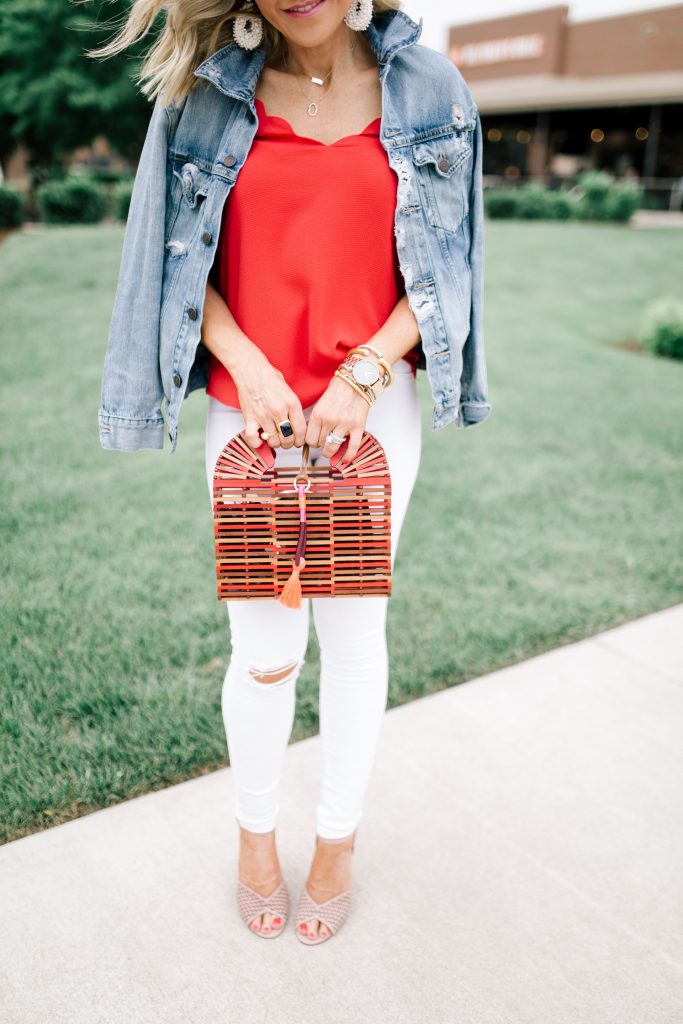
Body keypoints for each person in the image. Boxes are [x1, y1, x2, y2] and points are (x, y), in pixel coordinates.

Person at [94, 0, 491, 946]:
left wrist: (363, 373)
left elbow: (451, 263)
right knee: (266, 651)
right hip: (252, 413)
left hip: (373, 406)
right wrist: (256, 367)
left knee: (354, 638)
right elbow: (172, 259)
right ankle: (254, 836)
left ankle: (337, 841)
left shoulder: (432, 89)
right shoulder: (200, 99)